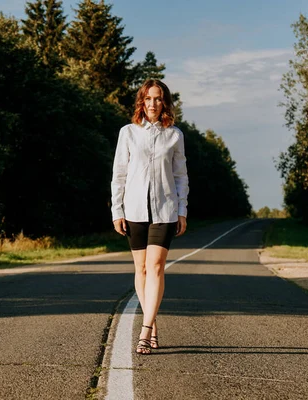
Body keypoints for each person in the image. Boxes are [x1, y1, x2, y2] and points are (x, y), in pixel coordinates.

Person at [111, 79, 189, 355]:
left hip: (165, 210)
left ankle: (144, 330)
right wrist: (116, 211)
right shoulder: (128, 133)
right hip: (133, 209)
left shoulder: (175, 135)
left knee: (156, 266)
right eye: (148, 99)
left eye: (158, 99)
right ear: (141, 102)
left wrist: (182, 210)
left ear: (164, 102)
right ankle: (152, 321)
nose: (153, 104)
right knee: (141, 269)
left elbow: (180, 176)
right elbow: (119, 174)